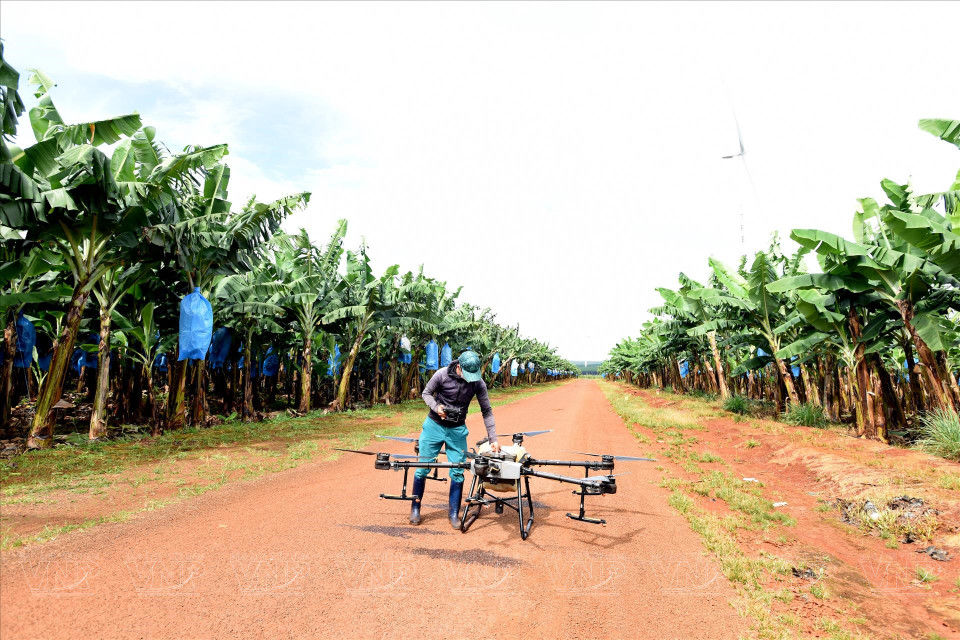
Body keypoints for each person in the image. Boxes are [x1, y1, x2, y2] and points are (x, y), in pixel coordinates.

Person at [411, 350, 499, 527]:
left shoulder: (478, 383)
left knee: (458, 471)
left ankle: (453, 514)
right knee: (422, 468)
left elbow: (487, 411)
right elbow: (426, 393)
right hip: (434, 426)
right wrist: (437, 408)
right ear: (459, 367)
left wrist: (493, 438)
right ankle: (415, 509)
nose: (470, 379)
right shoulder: (441, 375)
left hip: (457, 430)